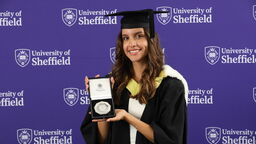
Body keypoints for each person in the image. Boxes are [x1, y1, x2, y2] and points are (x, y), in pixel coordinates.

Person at [80, 9, 189, 144]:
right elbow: (101, 141)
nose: (131, 44)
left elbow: (171, 140)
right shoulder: (114, 82)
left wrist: (128, 117)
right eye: (126, 38)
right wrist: (101, 106)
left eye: (139, 36)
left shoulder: (170, 85)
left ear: (151, 39)